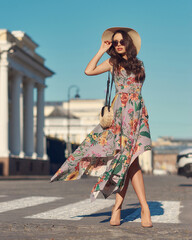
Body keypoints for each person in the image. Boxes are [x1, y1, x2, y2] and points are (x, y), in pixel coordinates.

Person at [50, 27, 153, 228]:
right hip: (119, 115)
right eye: (115, 42)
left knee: (130, 159)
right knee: (127, 160)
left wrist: (141, 111)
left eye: (122, 41)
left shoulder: (139, 64)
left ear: (129, 43)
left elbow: (137, 92)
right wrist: (100, 50)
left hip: (137, 114)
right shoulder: (112, 62)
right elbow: (89, 71)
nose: (119, 44)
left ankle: (123, 208)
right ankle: (139, 207)